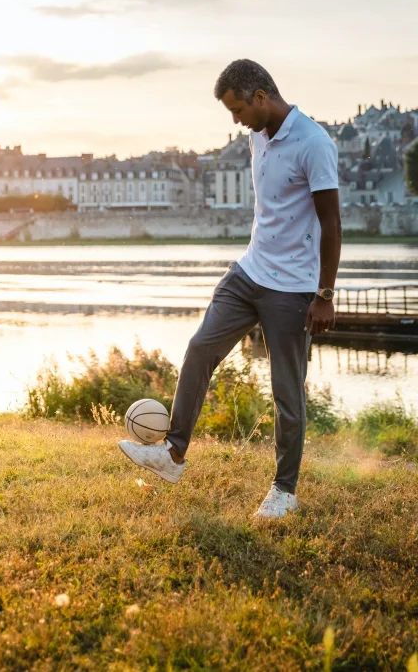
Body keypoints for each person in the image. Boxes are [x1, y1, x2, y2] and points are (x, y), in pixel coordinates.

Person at [119, 60, 342, 518]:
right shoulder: (257, 135)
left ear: (261, 97)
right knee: (200, 347)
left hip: (294, 288)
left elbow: (331, 222)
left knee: (286, 391)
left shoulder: (314, 143)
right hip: (248, 272)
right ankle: (173, 454)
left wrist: (324, 295)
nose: (236, 120)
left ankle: (284, 492)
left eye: (238, 109)